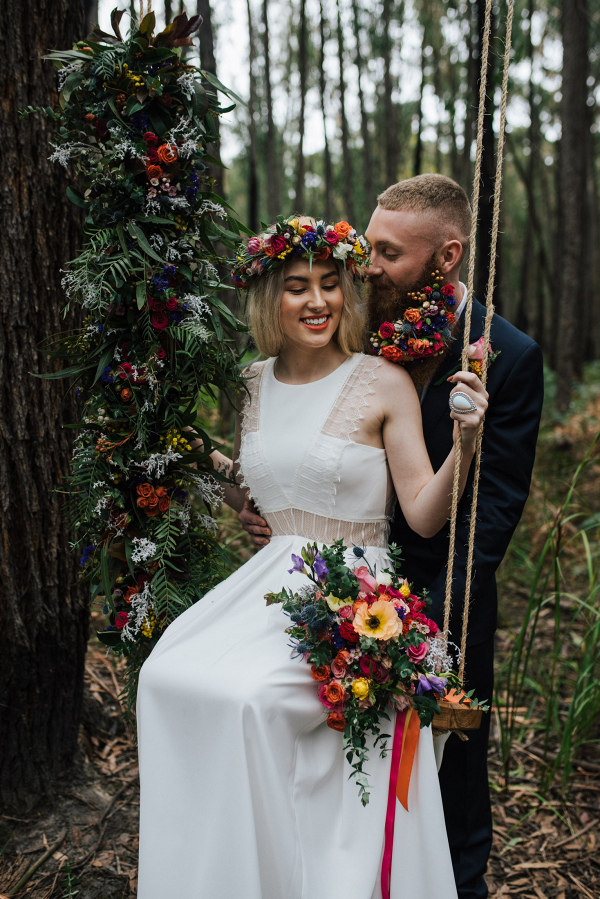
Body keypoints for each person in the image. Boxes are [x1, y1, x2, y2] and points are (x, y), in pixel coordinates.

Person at [136, 215, 488, 899]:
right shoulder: (250, 381)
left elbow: (420, 509)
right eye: (298, 287)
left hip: (352, 594)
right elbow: (263, 488)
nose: (318, 301)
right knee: (166, 675)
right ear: (272, 298)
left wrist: (465, 444)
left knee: (249, 698)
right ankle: (224, 873)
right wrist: (198, 458)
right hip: (264, 590)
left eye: (331, 284)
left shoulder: (382, 381)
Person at [240, 177, 544, 899]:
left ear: (447, 257)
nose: (366, 266)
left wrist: (424, 628)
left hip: (445, 598)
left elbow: (492, 511)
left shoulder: (507, 353)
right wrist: (278, 514)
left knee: (451, 786)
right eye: (368, 244)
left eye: (387, 253)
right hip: (331, 589)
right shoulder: (361, 331)